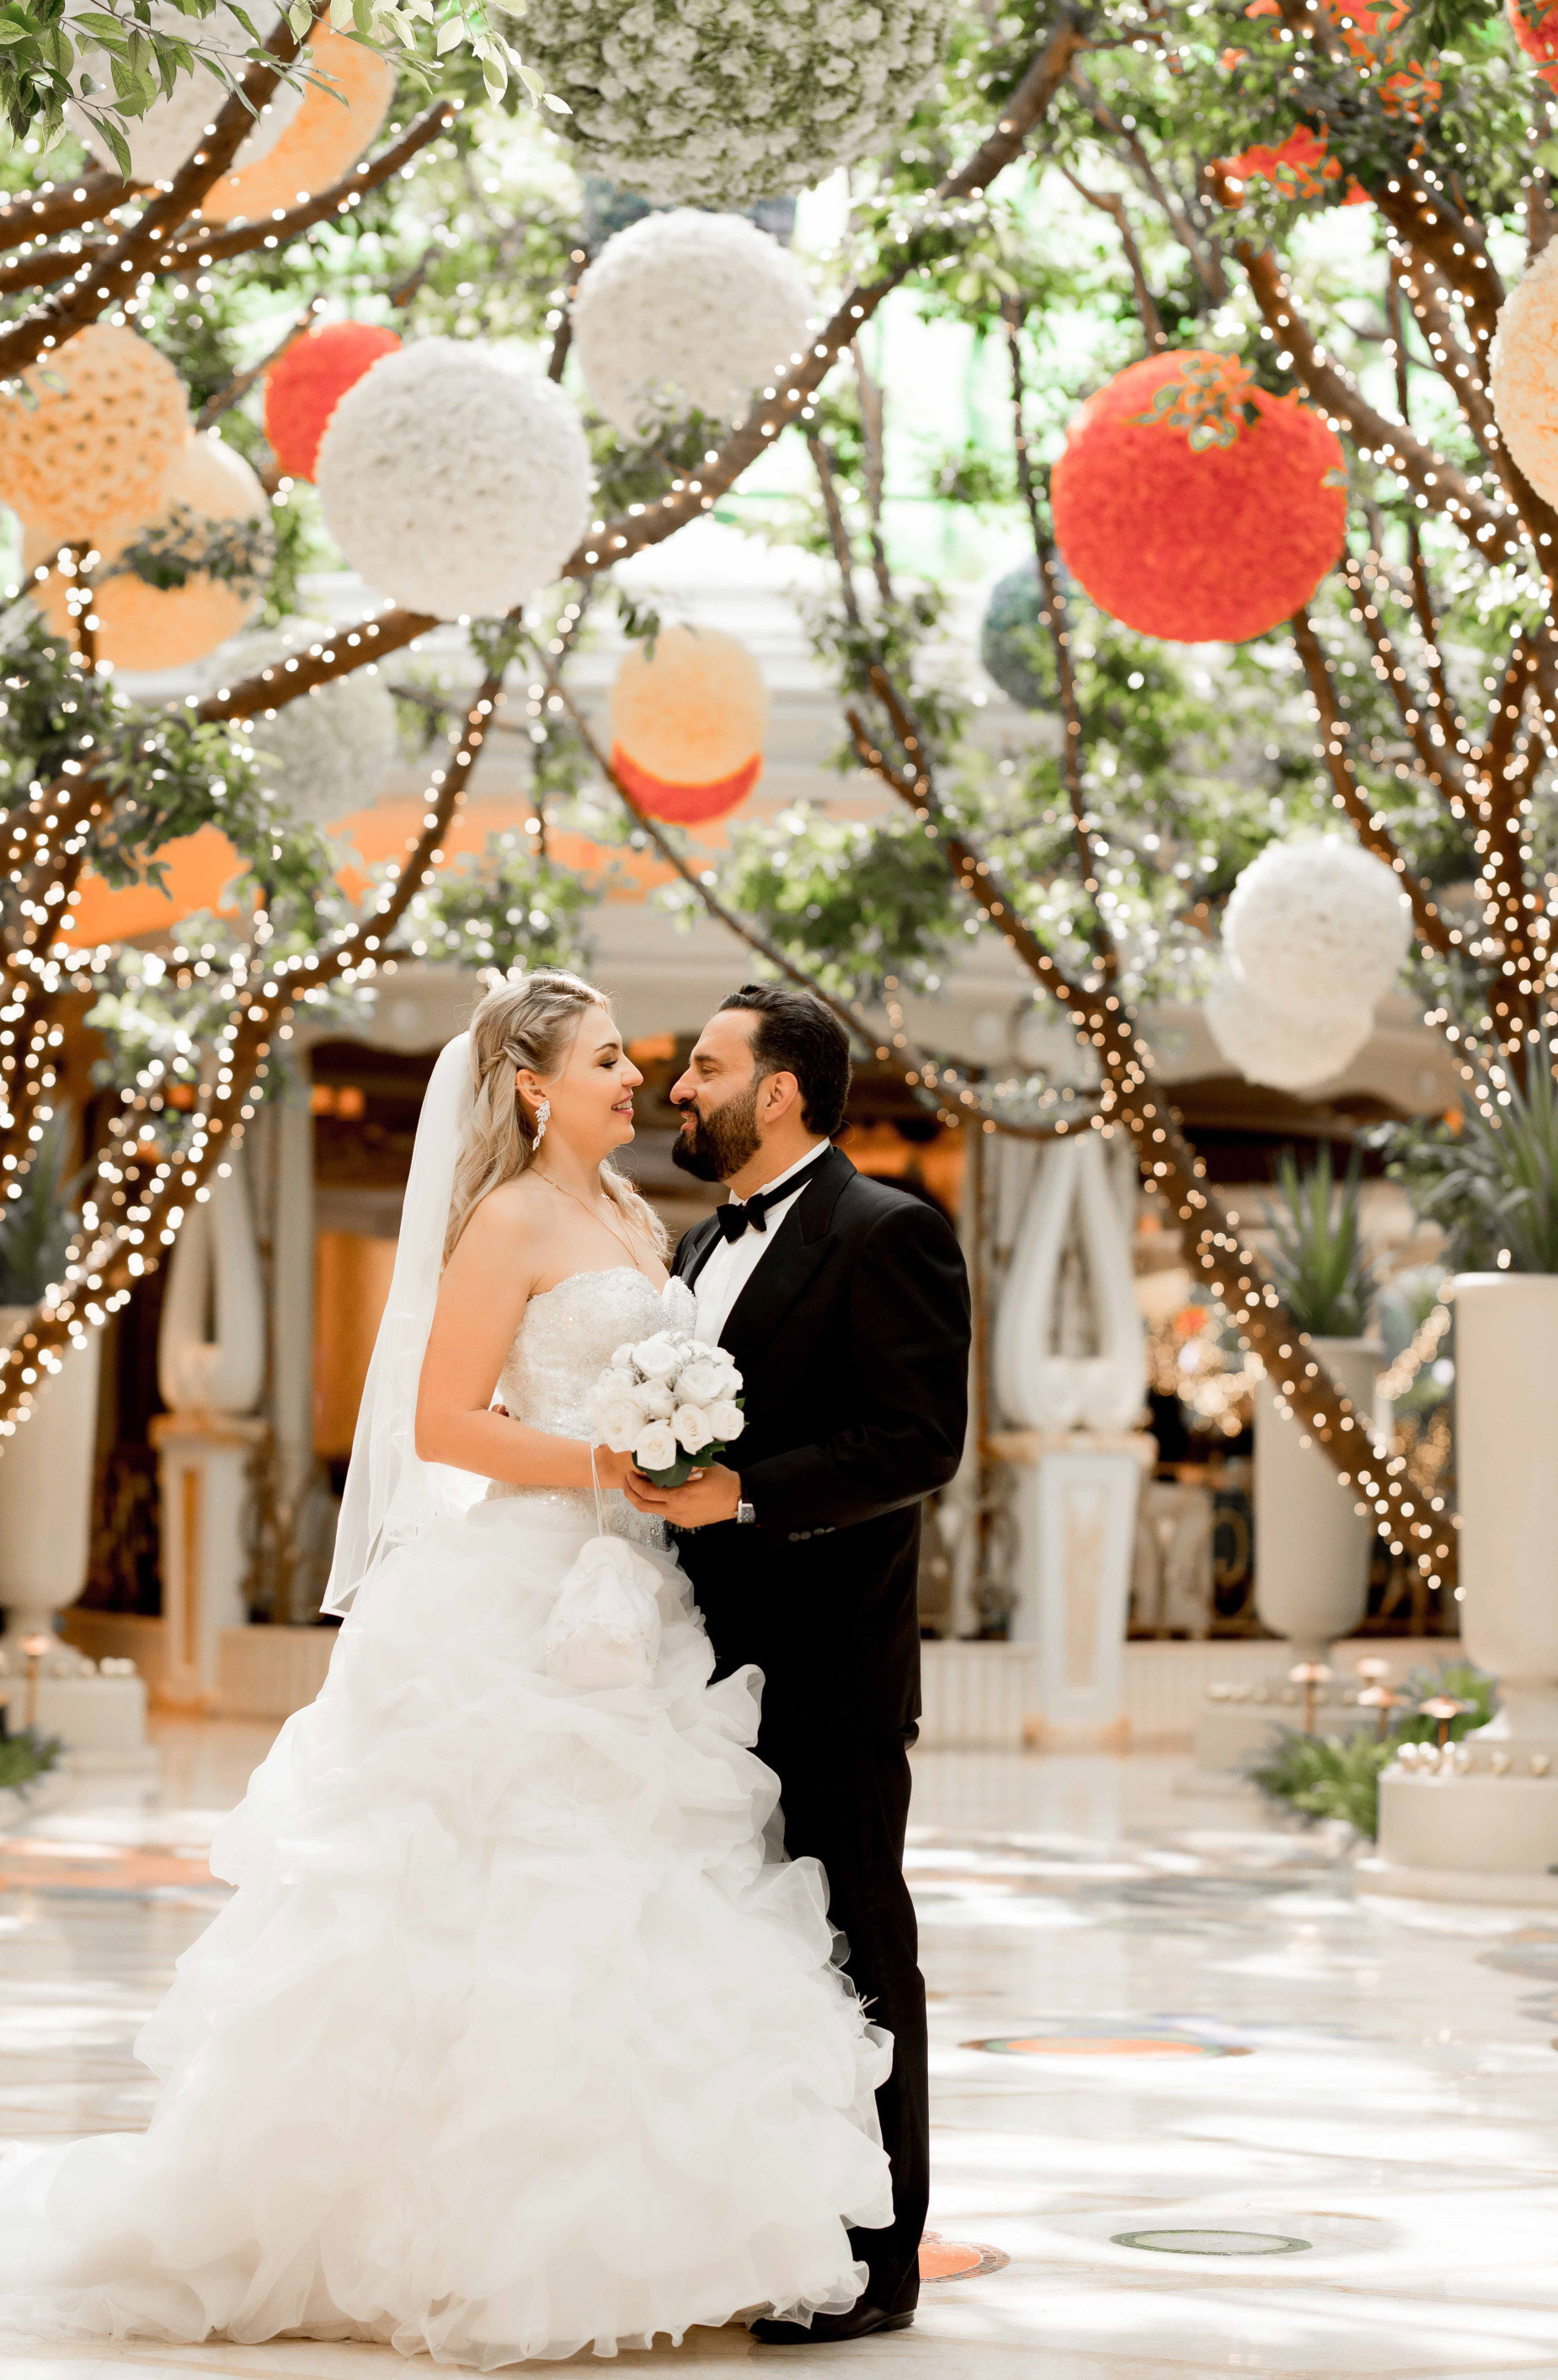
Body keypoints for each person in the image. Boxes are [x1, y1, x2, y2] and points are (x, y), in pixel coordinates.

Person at [0, 971, 894, 2367]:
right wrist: (608, 1463)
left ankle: (635, 2231)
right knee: (488, 1892)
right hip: (521, 1588)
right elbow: (445, 1422)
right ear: (533, 1086)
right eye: (607, 1057)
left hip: (636, 1598)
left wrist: (671, 1467)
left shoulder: (636, 1218)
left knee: (631, 1904)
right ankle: (438, 2234)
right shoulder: (512, 1218)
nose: (636, 1080)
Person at [622, 984, 972, 2345]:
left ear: (777, 1092)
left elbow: (915, 1444)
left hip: (826, 1665)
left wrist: (746, 1497)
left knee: (852, 1944)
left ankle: (878, 2260)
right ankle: (758, 2223)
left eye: (702, 1068)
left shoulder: (889, 1233)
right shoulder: (696, 1244)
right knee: (736, 1955)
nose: (676, 1091)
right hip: (692, 1668)